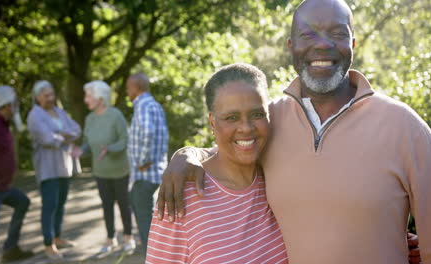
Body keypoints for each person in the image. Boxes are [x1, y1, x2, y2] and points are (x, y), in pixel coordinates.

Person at [157, 0, 431, 263]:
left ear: (352, 44)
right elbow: (232, 146)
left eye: (337, 33)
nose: (323, 44)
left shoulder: (403, 126)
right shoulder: (271, 120)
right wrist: (188, 154)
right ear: (292, 47)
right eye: (308, 34)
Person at [146, 63, 288, 263]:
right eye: (232, 117)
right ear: (212, 122)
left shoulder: (277, 175)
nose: (246, 128)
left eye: (257, 114)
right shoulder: (180, 196)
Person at [71, 80, 136, 254]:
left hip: (120, 170)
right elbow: (87, 144)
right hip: (100, 172)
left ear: (100, 98)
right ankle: (110, 238)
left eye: (89, 96)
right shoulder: (89, 118)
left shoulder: (115, 115)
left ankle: (128, 237)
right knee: (106, 205)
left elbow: (124, 140)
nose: (86, 100)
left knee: (123, 204)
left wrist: (110, 149)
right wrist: (79, 151)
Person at [27, 80, 81, 260]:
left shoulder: (59, 112)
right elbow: (46, 139)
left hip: (64, 166)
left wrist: (61, 136)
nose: (50, 98)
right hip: (47, 168)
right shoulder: (34, 115)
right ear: (37, 97)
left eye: (52, 94)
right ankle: (48, 244)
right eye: (46, 95)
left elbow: (76, 129)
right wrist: (63, 136)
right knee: (49, 205)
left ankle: (57, 237)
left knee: (60, 203)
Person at [126, 73, 169, 252]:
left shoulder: (143, 105)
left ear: (136, 88)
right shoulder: (154, 105)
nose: (127, 92)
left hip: (146, 171)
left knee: (144, 216)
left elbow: (148, 133)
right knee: (145, 212)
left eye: (128, 88)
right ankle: (156, 250)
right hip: (155, 170)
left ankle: (152, 254)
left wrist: (142, 161)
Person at [0, 85, 34, 262]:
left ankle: (11, 249)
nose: (17, 106)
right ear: (7, 104)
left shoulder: (4, 124)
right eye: (14, 103)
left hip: (3, 186)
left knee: (22, 202)